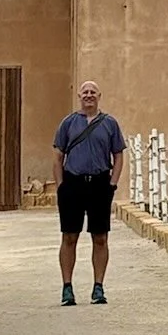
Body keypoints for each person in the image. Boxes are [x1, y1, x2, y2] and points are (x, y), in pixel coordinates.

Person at [53, 81, 126, 307]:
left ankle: (98, 287)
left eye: (93, 92)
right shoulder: (68, 123)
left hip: (99, 183)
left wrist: (112, 184)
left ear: (99, 96)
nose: (89, 95)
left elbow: (118, 155)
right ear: (79, 96)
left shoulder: (110, 124)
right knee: (69, 236)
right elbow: (57, 156)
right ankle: (67, 288)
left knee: (100, 237)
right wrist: (61, 186)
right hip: (73, 183)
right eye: (85, 92)